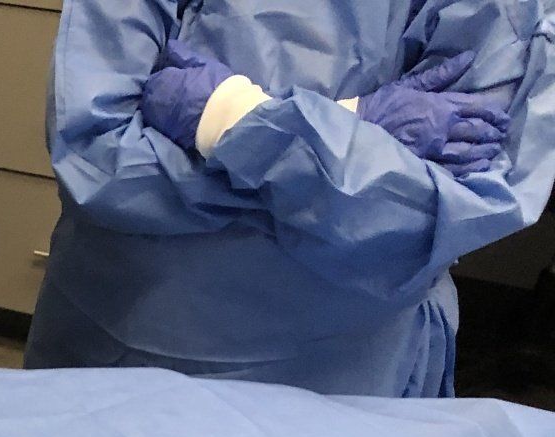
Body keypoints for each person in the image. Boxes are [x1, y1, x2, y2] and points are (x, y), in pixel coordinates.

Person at [27, 0, 555, 396]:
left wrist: (227, 118)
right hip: (123, 340)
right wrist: (350, 143)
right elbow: (98, 158)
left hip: (337, 376)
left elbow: (438, 213)